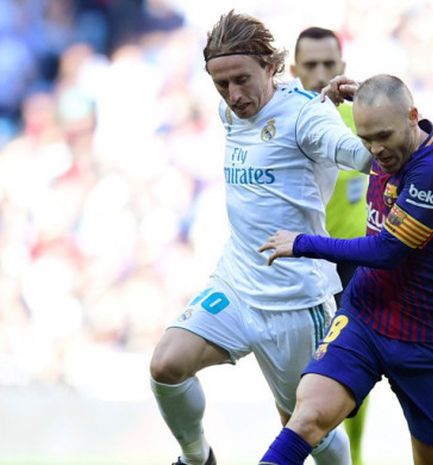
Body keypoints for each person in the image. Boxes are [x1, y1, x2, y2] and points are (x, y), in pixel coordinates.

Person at [257, 74, 433, 465]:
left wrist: (302, 243)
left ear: (413, 117)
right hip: (366, 315)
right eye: (366, 139)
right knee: (307, 417)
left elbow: (388, 250)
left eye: (383, 136)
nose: (375, 150)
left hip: (427, 333)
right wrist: (347, 98)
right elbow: (380, 109)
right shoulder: (389, 129)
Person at [148, 10, 371, 465]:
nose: (233, 95)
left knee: (307, 424)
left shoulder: (307, 118)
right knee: (166, 365)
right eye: (221, 84)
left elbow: (360, 154)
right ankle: (196, 459)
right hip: (236, 282)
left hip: (294, 300)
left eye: (242, 80)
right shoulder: (232, 111)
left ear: (271, 66)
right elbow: (254, 105)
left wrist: (370, 109)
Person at [290, 26, 370, 465]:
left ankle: (351, 459)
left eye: (329, 64)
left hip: (356, 267)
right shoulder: (283, 124)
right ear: (292, 71)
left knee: (354, 379)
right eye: (311, 66)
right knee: (300, 382)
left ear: (342, 68)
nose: (321, 73)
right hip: (305, 264)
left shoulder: (364, 121)